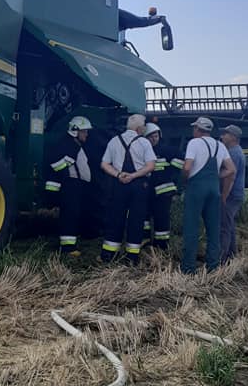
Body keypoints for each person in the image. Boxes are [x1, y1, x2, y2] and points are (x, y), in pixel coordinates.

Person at [181, 117, 236, 274]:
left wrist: (184, 181)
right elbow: (231, 169)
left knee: (191, 228)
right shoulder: (220, 146)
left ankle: (188, 268)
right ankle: (213, 266)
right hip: (214, 189)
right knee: (213, 229)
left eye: (194, 128)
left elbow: (187, 167)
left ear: (198, 129)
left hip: (196, 188)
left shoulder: (194, 143)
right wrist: (217, 176)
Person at [100, 113, 156, 264]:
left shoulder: (114, 141)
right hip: (138, 185)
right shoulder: (144, 142)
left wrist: (118, 175)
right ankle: (132, 257)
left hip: (119, 184)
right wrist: (134, 176)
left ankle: (109, 255)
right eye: (144, 125)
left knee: (115, 217)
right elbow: (151, 166)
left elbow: (104, 164)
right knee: (136, 220)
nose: (145, 127)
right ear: (139, 128)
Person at [45, 115, 93, 256]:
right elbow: (56, 165)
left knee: (72, 214)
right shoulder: (69, 146)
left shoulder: (72, 145)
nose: (86, 134)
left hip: (73, 185)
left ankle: (69, 244)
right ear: (75, 131)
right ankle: (68, 248)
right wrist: (66, 178)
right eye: (84, 131)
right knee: (70, 215)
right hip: (70, 185)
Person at [143, 122, 183, 251]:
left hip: (163, 191)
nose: (154, 139)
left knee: (161, 218)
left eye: (155, 136)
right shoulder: (143, 151)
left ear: (159, 135)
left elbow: (182, 162)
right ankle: (145, 241)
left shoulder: (167, 150)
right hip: (147, 191)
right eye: (150, 136)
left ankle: (162, 246)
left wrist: (170, 170)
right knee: (145, 218)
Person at [219, 124, 246, 262]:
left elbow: (231, 176)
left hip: (231, 195)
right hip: (236, 194)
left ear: (233, 137)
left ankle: (221, 260)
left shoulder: (233, 153)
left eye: (226, 134)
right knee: (229, 225)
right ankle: (232, 255)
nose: (222, 136)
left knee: (224, 227)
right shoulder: (236, 151)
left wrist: (224, 196)